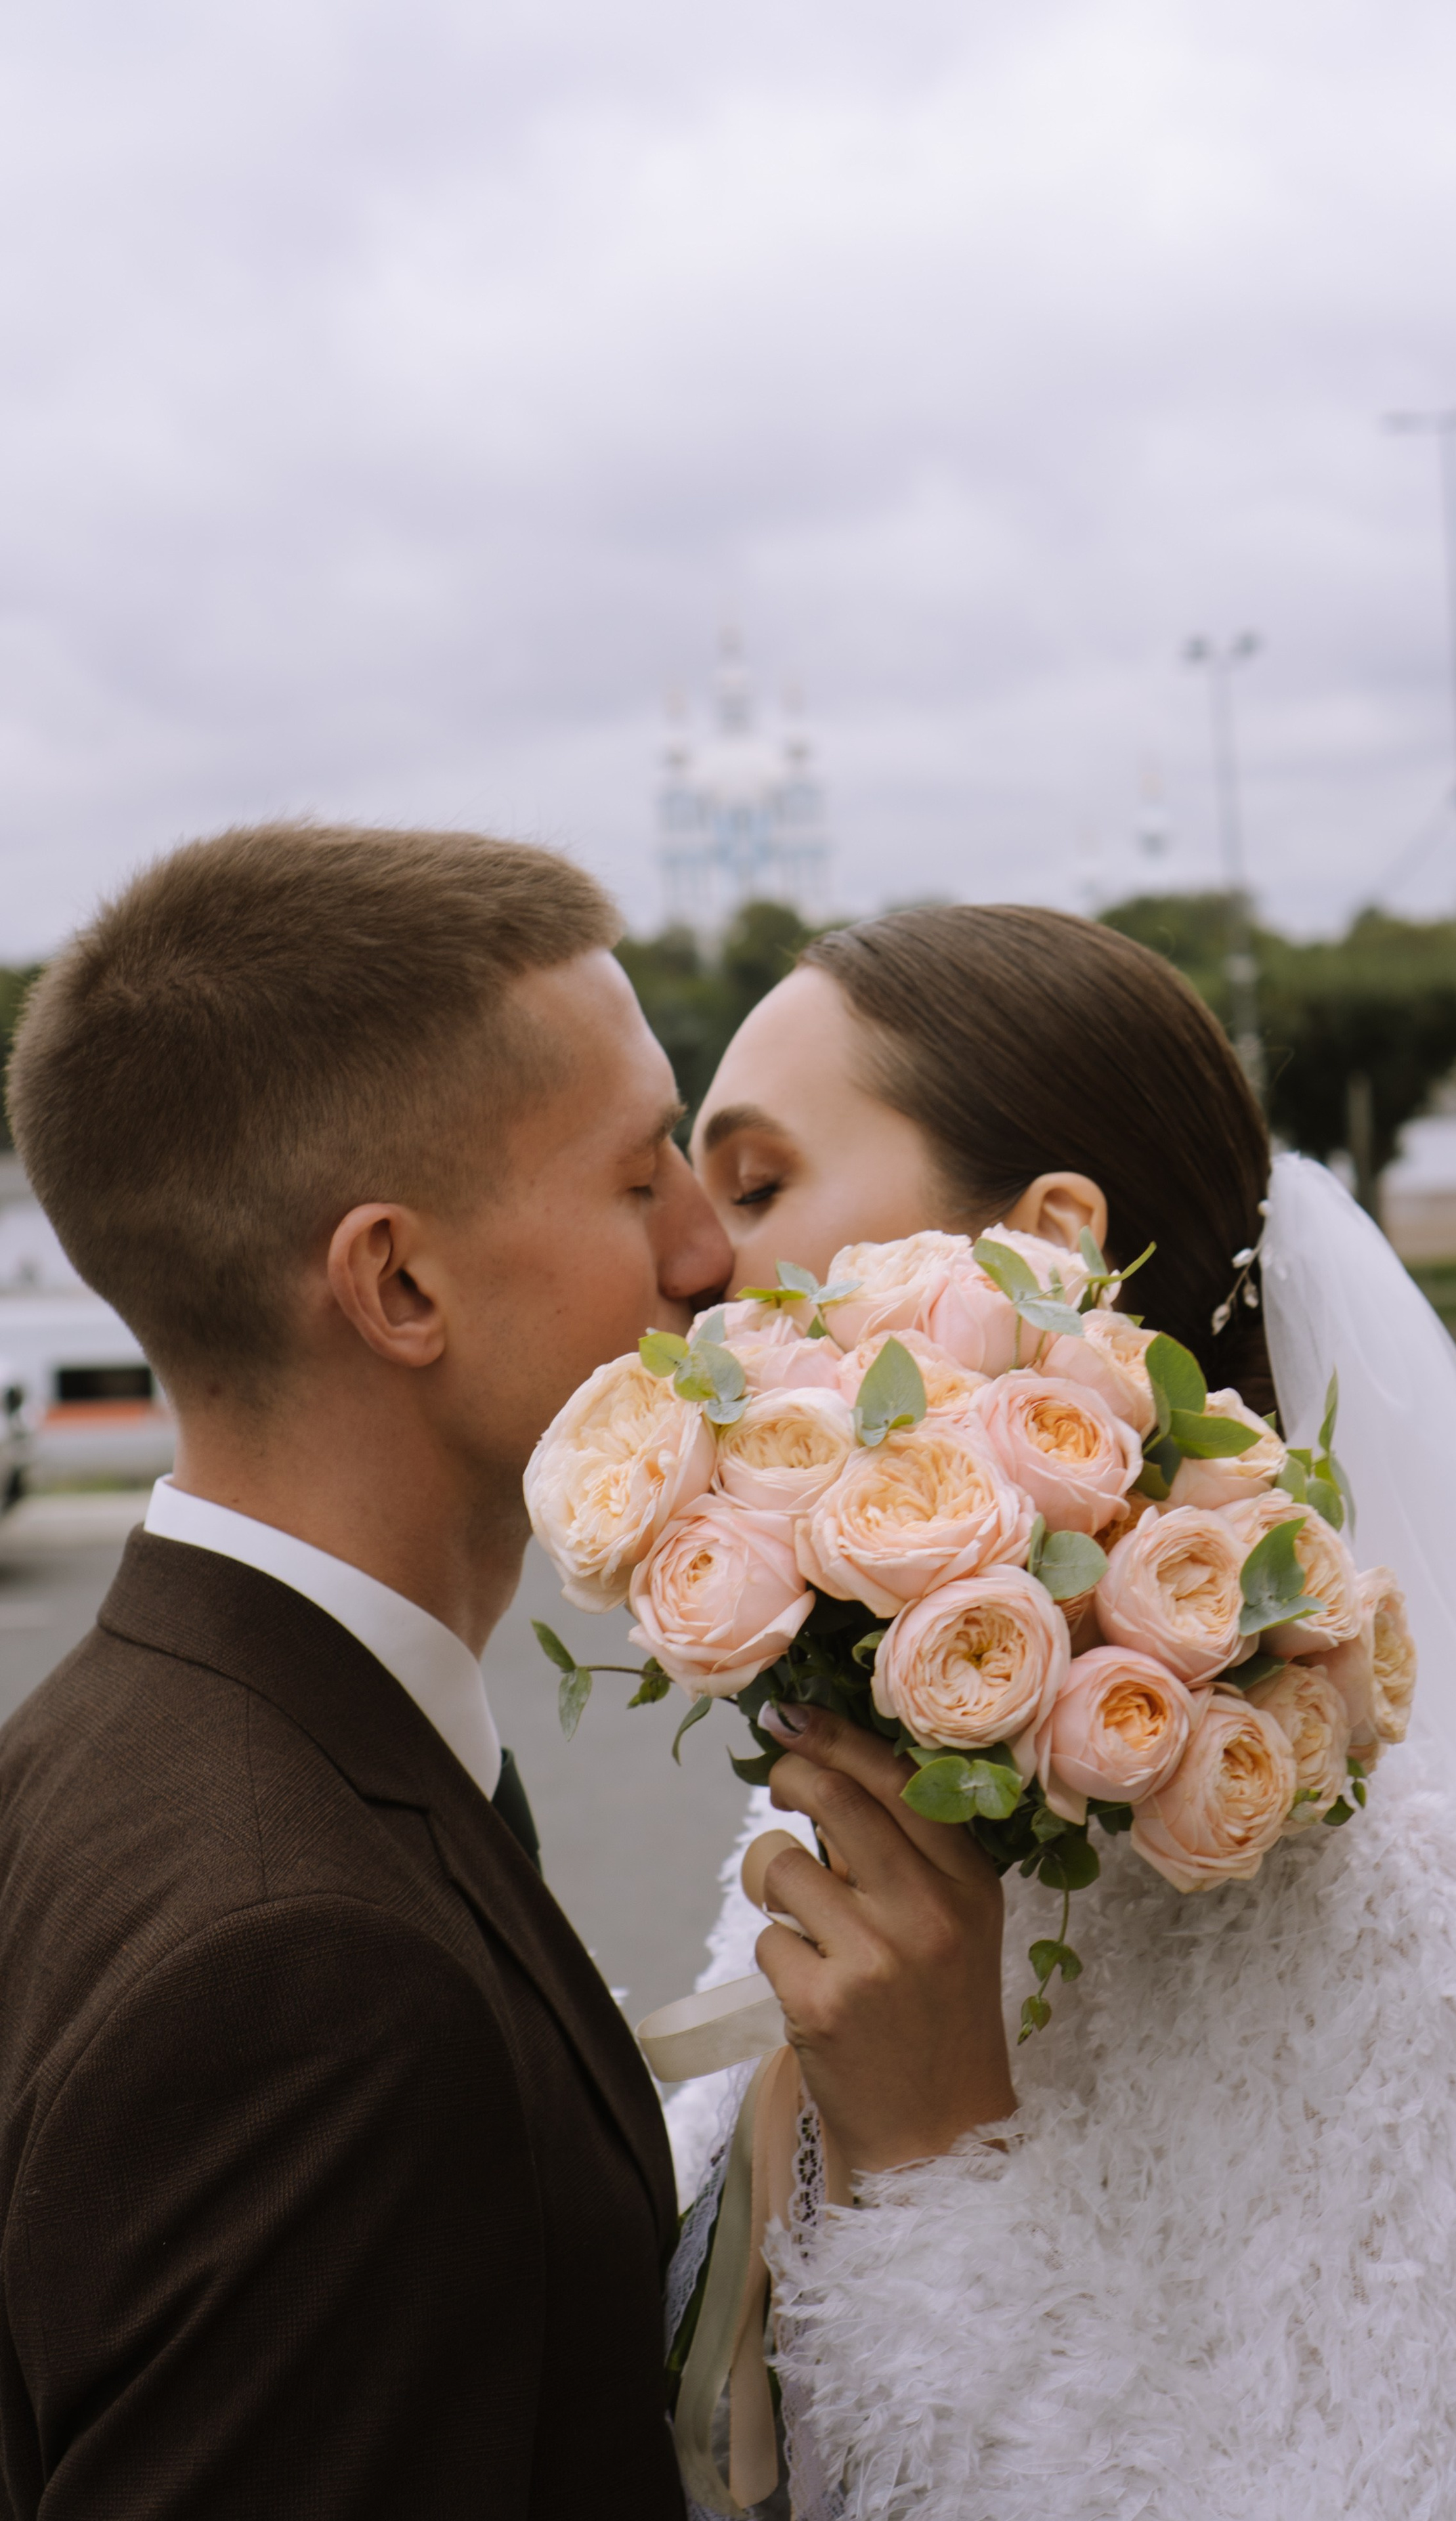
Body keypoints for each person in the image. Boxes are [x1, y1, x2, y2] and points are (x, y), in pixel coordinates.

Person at [0, 825, 1012, 2521]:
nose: (713, 1255)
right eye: (638, 1182)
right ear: (399, 1283)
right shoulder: (307, 1981)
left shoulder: (99, 1744)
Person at [675, 901, 1456, 2521]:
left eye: (759, 1185)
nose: (686, 1269)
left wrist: (938, 2149)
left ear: (1049, 1247)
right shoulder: (859, 1776)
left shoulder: (1401, 1925)